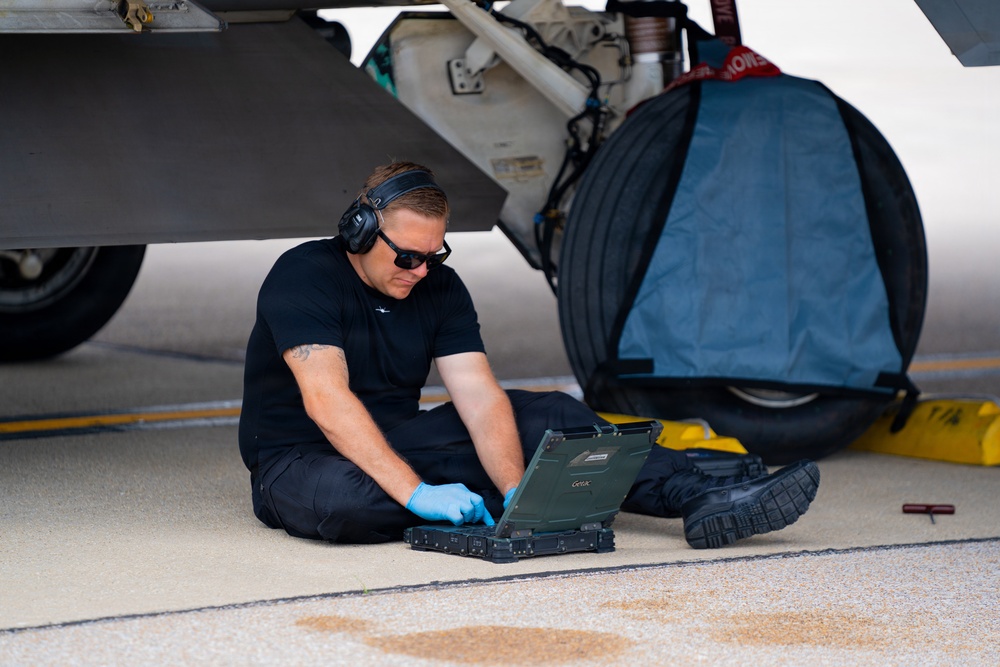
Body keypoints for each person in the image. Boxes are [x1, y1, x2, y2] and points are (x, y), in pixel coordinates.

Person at [238, 161, 820, 549]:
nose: (420, 272)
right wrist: (417, 494)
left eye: (433, 257)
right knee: (345, 507)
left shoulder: (439, 286)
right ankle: (555, 496)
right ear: (361, 231)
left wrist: (517, 489)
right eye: (407, 257)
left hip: (399, 441)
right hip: (300, 460)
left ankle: (699, 497)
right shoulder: (305, 276)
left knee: (556, 416)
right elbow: (327, 401)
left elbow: (479, 395)